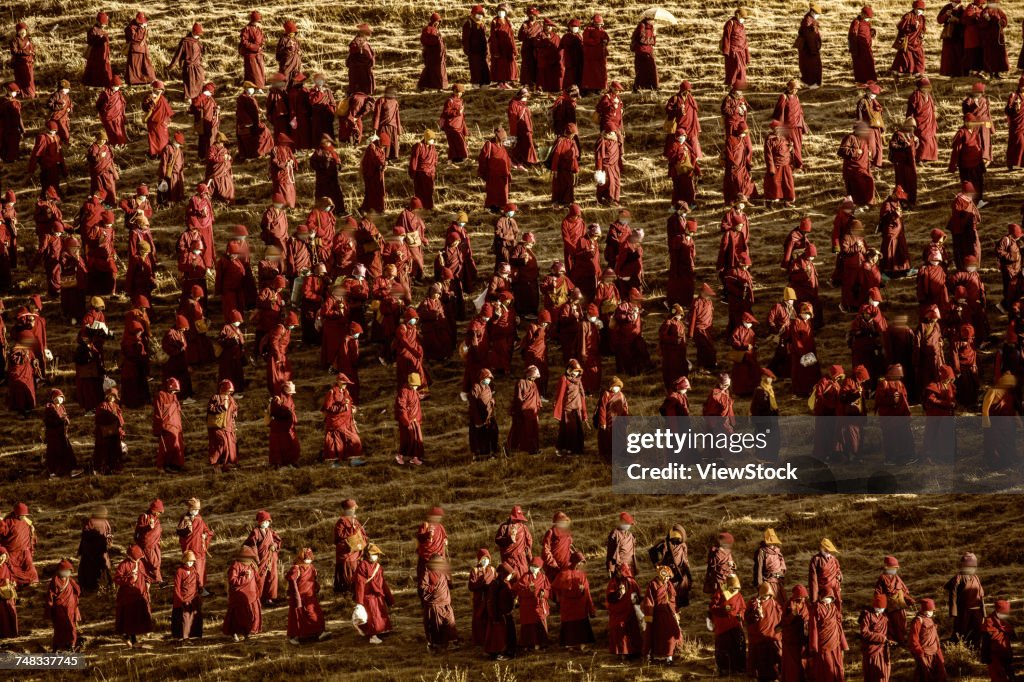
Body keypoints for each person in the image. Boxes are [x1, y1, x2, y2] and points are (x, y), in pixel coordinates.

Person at [286, 548, 328, 644]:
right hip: (299, 596)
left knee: (315, 613)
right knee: (297, 616)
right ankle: (294, 636)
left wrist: (316, 587)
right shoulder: (296, 568)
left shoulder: (311, 567)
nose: (309, 560)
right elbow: (292, 581)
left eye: (310, 558)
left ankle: (318, 632)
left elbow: (313, 578)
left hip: (310, 595)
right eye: (306, 558)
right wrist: (296, 596)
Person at [554, 551, 596, 649]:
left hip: (580, 606)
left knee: (581, 625)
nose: (581, 564)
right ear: (574, 562)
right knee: (570, 626)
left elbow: (587, 591)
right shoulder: (563, 573)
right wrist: (560, 599)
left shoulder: (582, 575)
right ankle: (570, 645)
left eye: (582, 562)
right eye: (579, 562)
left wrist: (591, 609)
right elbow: (556, 589)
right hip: (568, 606)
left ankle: (581, 645)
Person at [114, 545, 153, 648]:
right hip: (127, 597)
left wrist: (148, 582)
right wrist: (130, 580)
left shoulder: (140, 563)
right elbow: (117, 579)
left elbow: (145, 574)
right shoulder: (124, 565)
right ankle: (133, 641)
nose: (139, 559)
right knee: (130, 618)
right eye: (137, 558)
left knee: (137, 617)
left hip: (139, 594)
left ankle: (126, 636)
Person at [945, 552, 986, 647]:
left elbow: (981, 596)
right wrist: (954, 613)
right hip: (963, 611)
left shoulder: (976, 577)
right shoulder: (958, 578)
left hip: (977, 612)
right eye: (969, 566)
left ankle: (975, 650)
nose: (972, 569)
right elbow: (953, 596)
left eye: (973, 566)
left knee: (977, 632)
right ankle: (960, 651)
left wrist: (983, 614)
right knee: (961, 632)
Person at [419, 554, 459, 652]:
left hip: (445, 602)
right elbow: (423, 587)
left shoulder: (443, 571)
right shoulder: (427, 572)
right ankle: (437, 645)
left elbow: (449, 583)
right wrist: (435, 589)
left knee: (449, 622)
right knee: (436, 625)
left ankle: (451, 642)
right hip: (435, 604)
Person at [709, 574, 746, 674]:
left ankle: (737, 667)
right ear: (728, 585)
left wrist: (740, 614)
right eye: (732, 588)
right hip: (723, 625)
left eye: (736, 588)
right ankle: (724, 668)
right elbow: (712, 607)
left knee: (737, 645)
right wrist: (723, 609)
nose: (734, 590)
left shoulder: (738, 594)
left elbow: (743, 607)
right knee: (724, 646)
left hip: (735, 624)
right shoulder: (720, 593)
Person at [223, 546, 261, 641]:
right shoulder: (235, 566)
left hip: (251, 595)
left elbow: (257, 579)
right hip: (238, 596)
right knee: (238, 615)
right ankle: (234, 633)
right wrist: (245, 577)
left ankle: (247, 633)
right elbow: (232, 581)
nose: (250, 560)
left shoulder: (252, 565)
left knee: (250, 615)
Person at [177, 499, 214, 593]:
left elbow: (206, 530)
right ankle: (192, 588)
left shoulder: (199, 518)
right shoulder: (185, 518)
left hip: (199, 548)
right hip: (190, 548)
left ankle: (201, 587)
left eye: (197, 510)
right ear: (189, 508)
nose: (196, 511)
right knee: (193, 568)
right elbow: (179, 532)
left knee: (201, 568)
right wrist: (187, 530)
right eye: (194, 509)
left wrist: (205, 535)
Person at [45, 559, 81, 652]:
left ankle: (71, 644)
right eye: (64, 571)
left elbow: (77, 591)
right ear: (59, 571)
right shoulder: (55, 581)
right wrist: (50, 609)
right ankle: (57, 646)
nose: (66, 573)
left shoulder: (70, 581)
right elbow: (50, 596)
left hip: (70, 609)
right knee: (60, 628)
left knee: (71, 627)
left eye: (68, 571)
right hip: (59, 610)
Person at [553, 360, 587, 454]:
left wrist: (584, 411)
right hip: (568, 409)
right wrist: (558, 408)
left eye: (578, 371)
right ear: (569, 370)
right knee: (569, 430)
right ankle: (568, 449)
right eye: (574, 371)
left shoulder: (578, 380)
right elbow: (560, 394)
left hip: (577, 409)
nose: (576, 373)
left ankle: (578, 449)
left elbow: (581, 395)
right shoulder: (564, 379)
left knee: (578, 430)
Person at [333, 499, 367, 594]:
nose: (354, 510)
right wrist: (353, 530)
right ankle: (347, 590)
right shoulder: (341, 521)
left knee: (355, 568)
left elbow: (362, 533)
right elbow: (339, 535)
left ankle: (355, 589)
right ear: (349, 509)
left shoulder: (355, 521)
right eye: (352, 508)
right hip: (346, 552)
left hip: (355, 551)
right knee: (347, 570)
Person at [908, 599, 947, 681]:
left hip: (935, 651)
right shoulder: (918, 621)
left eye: (932, 611)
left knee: (940, 673)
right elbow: (913, 638)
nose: (930, 613)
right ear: (923, 610)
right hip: (924, 653)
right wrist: (919, 651)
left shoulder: (930, 619)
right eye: (928, 610)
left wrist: (938, 649)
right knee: (925, 675)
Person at [77, 507, 112, 592]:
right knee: (102, 569)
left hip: (89, 551)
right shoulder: (105, 522)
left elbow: (85, 535)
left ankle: (89, 587)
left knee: (88, 569)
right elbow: (109, 535)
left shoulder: (90, 521)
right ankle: (104, 586)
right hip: (101, 551)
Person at [207, 380, 239, 472]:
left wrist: (234, 414)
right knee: (221, 444)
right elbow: (210, 409)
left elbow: (234, 408)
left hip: (229, 426)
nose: (229, 393)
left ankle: (226, 465)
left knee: (230, 446)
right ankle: (216, 464)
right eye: (228, 391)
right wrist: (221, 408)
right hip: (218, 427)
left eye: (230, 392)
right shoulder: (215, 397)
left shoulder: (231, 399)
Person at [860, 594, 893, 682]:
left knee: (884, 671)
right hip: (871, 649)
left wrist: (889, 639)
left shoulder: (884, 617)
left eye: (882, 608)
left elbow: (888, 632)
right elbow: (864, 632)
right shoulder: (868, 616)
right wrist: (881, 638)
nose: (879, 610)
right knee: (873, 673)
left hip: (882, 649)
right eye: (877, 607)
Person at [169, 24, 206, 102]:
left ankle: (198, 97)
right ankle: (188, 98)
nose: (198, 36)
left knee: (200, 80)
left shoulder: (198, 41)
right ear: (193, 32)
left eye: (199, 34)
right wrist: (171, 66)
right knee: (189, 83)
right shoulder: (185, 42)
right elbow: (178, 55)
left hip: (198, 66)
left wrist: (201, 63)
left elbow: (200, 54)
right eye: (197, 34)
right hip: (188, 66)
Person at [172, 551, 203, 641]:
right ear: (184, 561)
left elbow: (198, 582)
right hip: (184, 598)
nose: (190, 563)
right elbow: (177, 587)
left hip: (193, 597)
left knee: (194, 616)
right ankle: (185, 637)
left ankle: (195, 635)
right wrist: (181, 599)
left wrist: (201, 589)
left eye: (192, 562)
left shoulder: (194, 570)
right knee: (185, 618)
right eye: (188, 561)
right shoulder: (180, 571)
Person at [982, 600, 1014, 682]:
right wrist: (985, 657)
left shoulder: (1006, 622)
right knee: (998, 677)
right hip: (993, 655)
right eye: (1004, 613)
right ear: (997, 611)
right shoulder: (989, 621)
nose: (1005, 615)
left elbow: (1011, 636)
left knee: (1010, 676)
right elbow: (985, 641)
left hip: (1006, 653)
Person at [721, 8, 750, 88]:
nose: (743, 20)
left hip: (742, 53)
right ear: (738, 15)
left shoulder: (742, 26)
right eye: (743, 18)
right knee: (735, 69)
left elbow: (745, 41)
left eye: (744, 18)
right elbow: (726, 37)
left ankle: (740, 89)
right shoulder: (730, 23)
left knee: (742, 72)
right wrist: (726, 52)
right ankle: (731, 87)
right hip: (733, 52)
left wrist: (747, 57)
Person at [796, 4, 823, 87]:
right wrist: (814, 50)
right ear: (812, 12)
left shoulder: (810, 20)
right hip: (809, 50)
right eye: (816, 13)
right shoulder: (808, 22)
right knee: (811, 67)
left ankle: (810, 83)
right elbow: (810, 38)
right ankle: (811, 84)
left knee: (810, 66)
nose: (817, 15)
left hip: (810, 49)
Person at [849, 6, 877, 83]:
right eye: (867, 17)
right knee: (861, 66)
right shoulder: (856, 22)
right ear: (863, 14)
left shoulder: (867, 22)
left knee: (870, 63)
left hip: (867, 47)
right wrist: (854, 49)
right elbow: (852, 35)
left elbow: (867, 31)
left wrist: (872, 32)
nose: (868, 19)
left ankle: (870, 80)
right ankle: (861, 81)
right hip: (859, 49)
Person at [630, 17, 657, 91]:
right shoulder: (642, 26)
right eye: (652, 20)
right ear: (648, 20)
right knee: (641, 70)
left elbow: (653, 43)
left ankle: (653, 87)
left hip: (648, 51)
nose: (654, 22)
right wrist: (652, 38)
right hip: (641, 52)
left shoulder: (652, 28)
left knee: (651, 69)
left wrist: (654, 35)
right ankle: (636, 87)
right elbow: (641, 39)